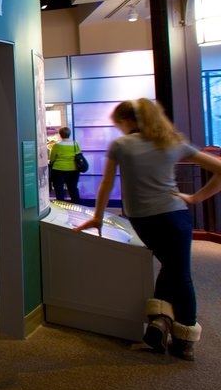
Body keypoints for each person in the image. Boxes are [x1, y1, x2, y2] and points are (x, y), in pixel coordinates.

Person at [75, 98, 221, 361]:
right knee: (179, 271)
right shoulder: (172, 143)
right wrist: (196, 198)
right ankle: (183, 337)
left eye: (119, 123)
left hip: (143, 220)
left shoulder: (121, 145)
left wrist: (98, 216)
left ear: (129, 121)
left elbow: (106, 184)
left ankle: (160, 322)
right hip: (176, 215)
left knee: (173, 268)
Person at [49, 126, 81, 203]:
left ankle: (61, 207)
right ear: (69, 134)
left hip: (58, 169)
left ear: (60, 134)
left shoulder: (57, 145)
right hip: (73, 169)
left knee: (59, 189)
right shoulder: (75, 143)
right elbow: (78, 155)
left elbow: (52, 158)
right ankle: (77, 205)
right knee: (73, 188)